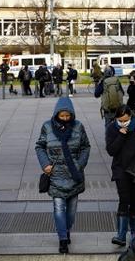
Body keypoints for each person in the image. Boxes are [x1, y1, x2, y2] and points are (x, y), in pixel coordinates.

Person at [35, 97, 90, 254]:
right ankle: (63, 239)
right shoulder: (47, 127)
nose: (65, 119)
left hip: (74, 175)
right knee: (59, 208)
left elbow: (86, 146)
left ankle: (66, 230)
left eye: (68, 116)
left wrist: (79, 164)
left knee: (71, 212)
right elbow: (40, 146)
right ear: (56, 114)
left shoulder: (78, 127)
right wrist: (45, 164)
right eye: (62, 116)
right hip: (56, 175)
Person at [105, 105, 135, 247]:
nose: (123, 122)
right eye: (120, 120)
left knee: (134, 200)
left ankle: (134, 233)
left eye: (125, 120)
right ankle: (121, 235)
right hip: (120, 169)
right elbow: (111, 150)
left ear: (130, 116)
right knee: (123, 199)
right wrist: (121, 134)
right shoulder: (112, 128)